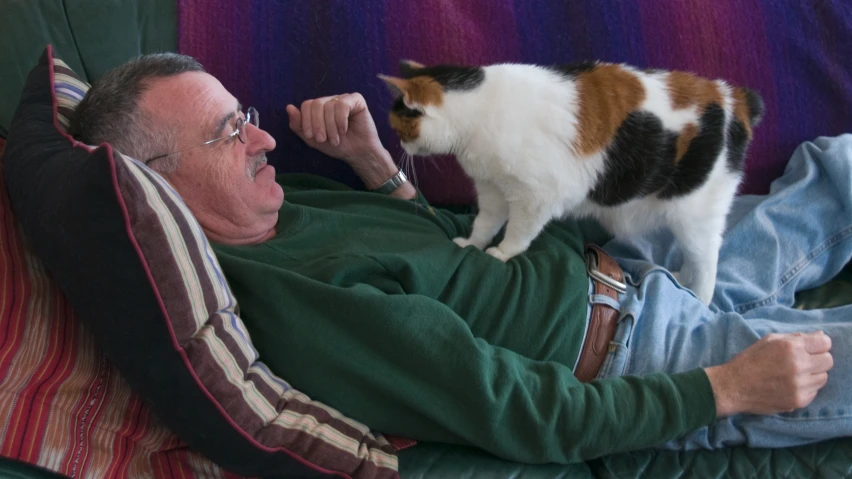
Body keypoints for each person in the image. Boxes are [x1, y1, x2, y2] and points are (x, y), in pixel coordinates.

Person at [71, 53, 851, 464]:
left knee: (832, 171)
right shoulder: (293, 307)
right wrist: (721, 389)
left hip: (623, 269)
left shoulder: (282, 203)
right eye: (227, 132)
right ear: (155, 185)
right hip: (645, 361)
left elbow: (440, 263)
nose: (264, 137)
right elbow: (519, 409)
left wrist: (377, 168)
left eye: (243, 116)